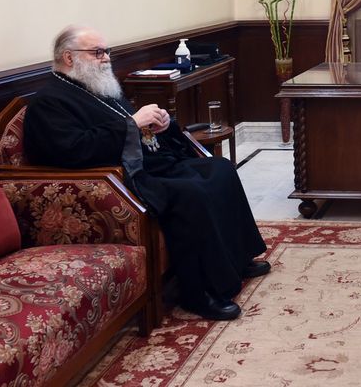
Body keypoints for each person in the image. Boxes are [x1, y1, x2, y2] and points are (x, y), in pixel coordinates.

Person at [23, 26, 270, 321]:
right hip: (118, 178)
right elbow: (73, 149)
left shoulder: (98, 87)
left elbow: (130, 126)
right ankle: (200, 293)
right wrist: (132, 125)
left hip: (147, 161)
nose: (106, 59)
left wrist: (160, 124)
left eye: (107, 52)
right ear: (68, 57)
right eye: (97, 52)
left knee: (221, 169)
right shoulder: (49, 102)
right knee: (192, 193)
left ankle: (238, 260)